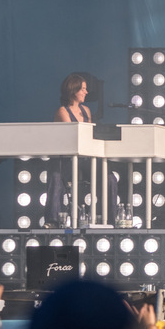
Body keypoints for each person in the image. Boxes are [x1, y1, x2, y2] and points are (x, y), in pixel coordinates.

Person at [48, 72, 118, 226]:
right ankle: (52, 220)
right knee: (56, 176)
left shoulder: (86, 111)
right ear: (74, 91)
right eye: (83, 89)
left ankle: (110, 219)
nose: (86, 92)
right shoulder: (62, 112)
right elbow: (73, 138)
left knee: (110, 179)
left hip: (86, 158)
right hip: (67, 159)